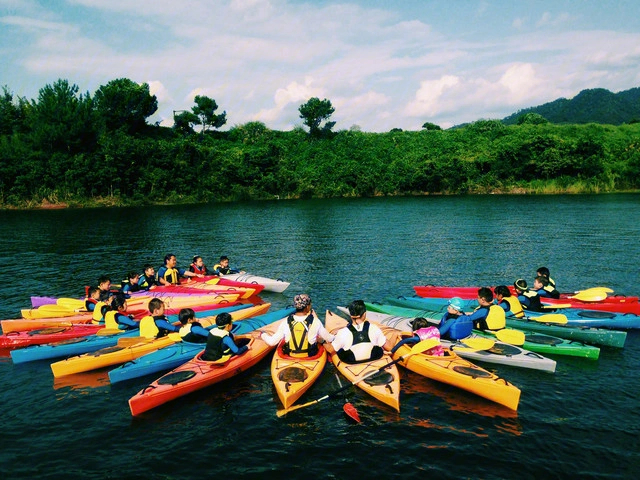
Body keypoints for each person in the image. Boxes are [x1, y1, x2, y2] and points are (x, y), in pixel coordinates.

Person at [259, 294, 334, 357]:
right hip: (309, 355)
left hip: (290, 355)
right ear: (307, 306)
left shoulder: (286, 321)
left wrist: (263, 334)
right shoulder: (316, 321)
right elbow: (330, 339)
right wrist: (334, 335)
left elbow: (272, 342)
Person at [325, 299, 394, 364]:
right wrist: (395, 335)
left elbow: (330, 350)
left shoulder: (343, 332)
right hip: (374, 358)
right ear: (364, 314)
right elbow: (390, 347)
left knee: (339, 350)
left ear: (351, 315)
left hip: (352, 362)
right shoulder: (374, 328)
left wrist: (323, 342)